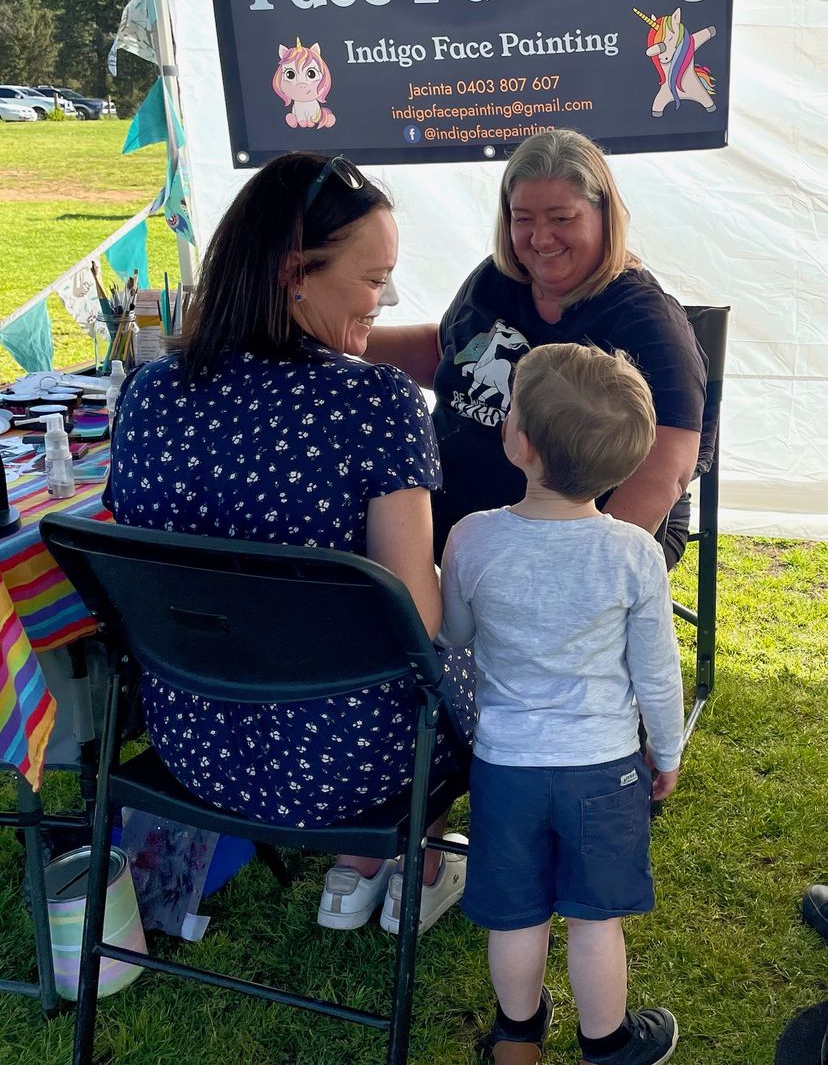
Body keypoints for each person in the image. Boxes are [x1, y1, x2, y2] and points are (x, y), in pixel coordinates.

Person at [103, 152, 473, 934]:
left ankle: (370, 867)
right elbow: (418, 618)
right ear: (292, 273)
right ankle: (419, 861)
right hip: (348, 771)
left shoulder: (150, 390)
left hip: (193, 747)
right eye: (374, 280)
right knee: (483, 637)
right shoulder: (378, 402)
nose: (387, 299)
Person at [438, 343, 685, 1065]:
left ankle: (516, 1037)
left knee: (516, 916)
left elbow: (454, 635)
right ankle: (606, 1044)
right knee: (594, 918)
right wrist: (665, 751)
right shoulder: (634, 553)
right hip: (603, 770)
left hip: (505, 766)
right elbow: (658, 673)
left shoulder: (472, 538)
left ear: (520, 441)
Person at [366, 128, 708, 567]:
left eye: (561, 218)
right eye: (522, 218)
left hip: (567, 535)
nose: (540, 239)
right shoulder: (495, 278)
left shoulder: (645, 317)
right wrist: (346, 339)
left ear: (604, 215)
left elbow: (668, 465)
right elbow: (447, 354)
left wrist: (583, 568)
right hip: (455, 519)